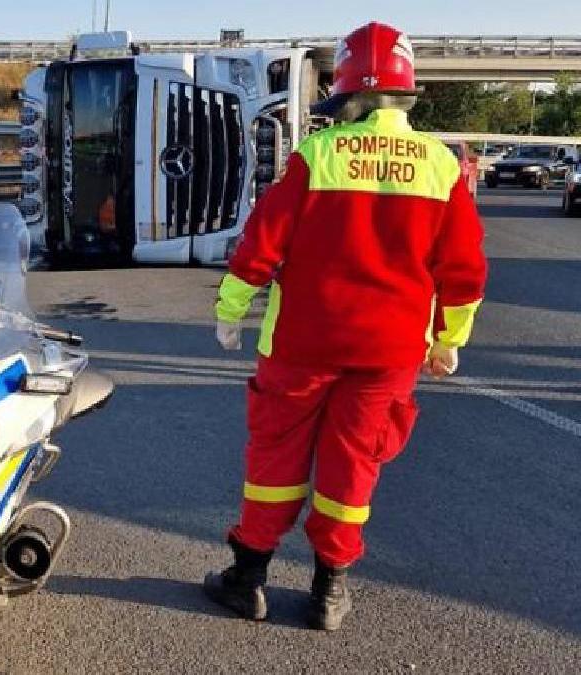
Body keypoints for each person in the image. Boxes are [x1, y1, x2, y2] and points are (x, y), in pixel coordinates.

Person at [203, 21, 488, 631]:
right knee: (352, 467)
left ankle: (248, 579)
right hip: (389, 352)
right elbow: (464, 271)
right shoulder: (442, 166)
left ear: (352, 94)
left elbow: (260, 244)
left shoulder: (318, 156)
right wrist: (449, 341)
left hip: (300, 344)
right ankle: (329, 591)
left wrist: (230, 310)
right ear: (405, 94)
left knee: (275, 458)